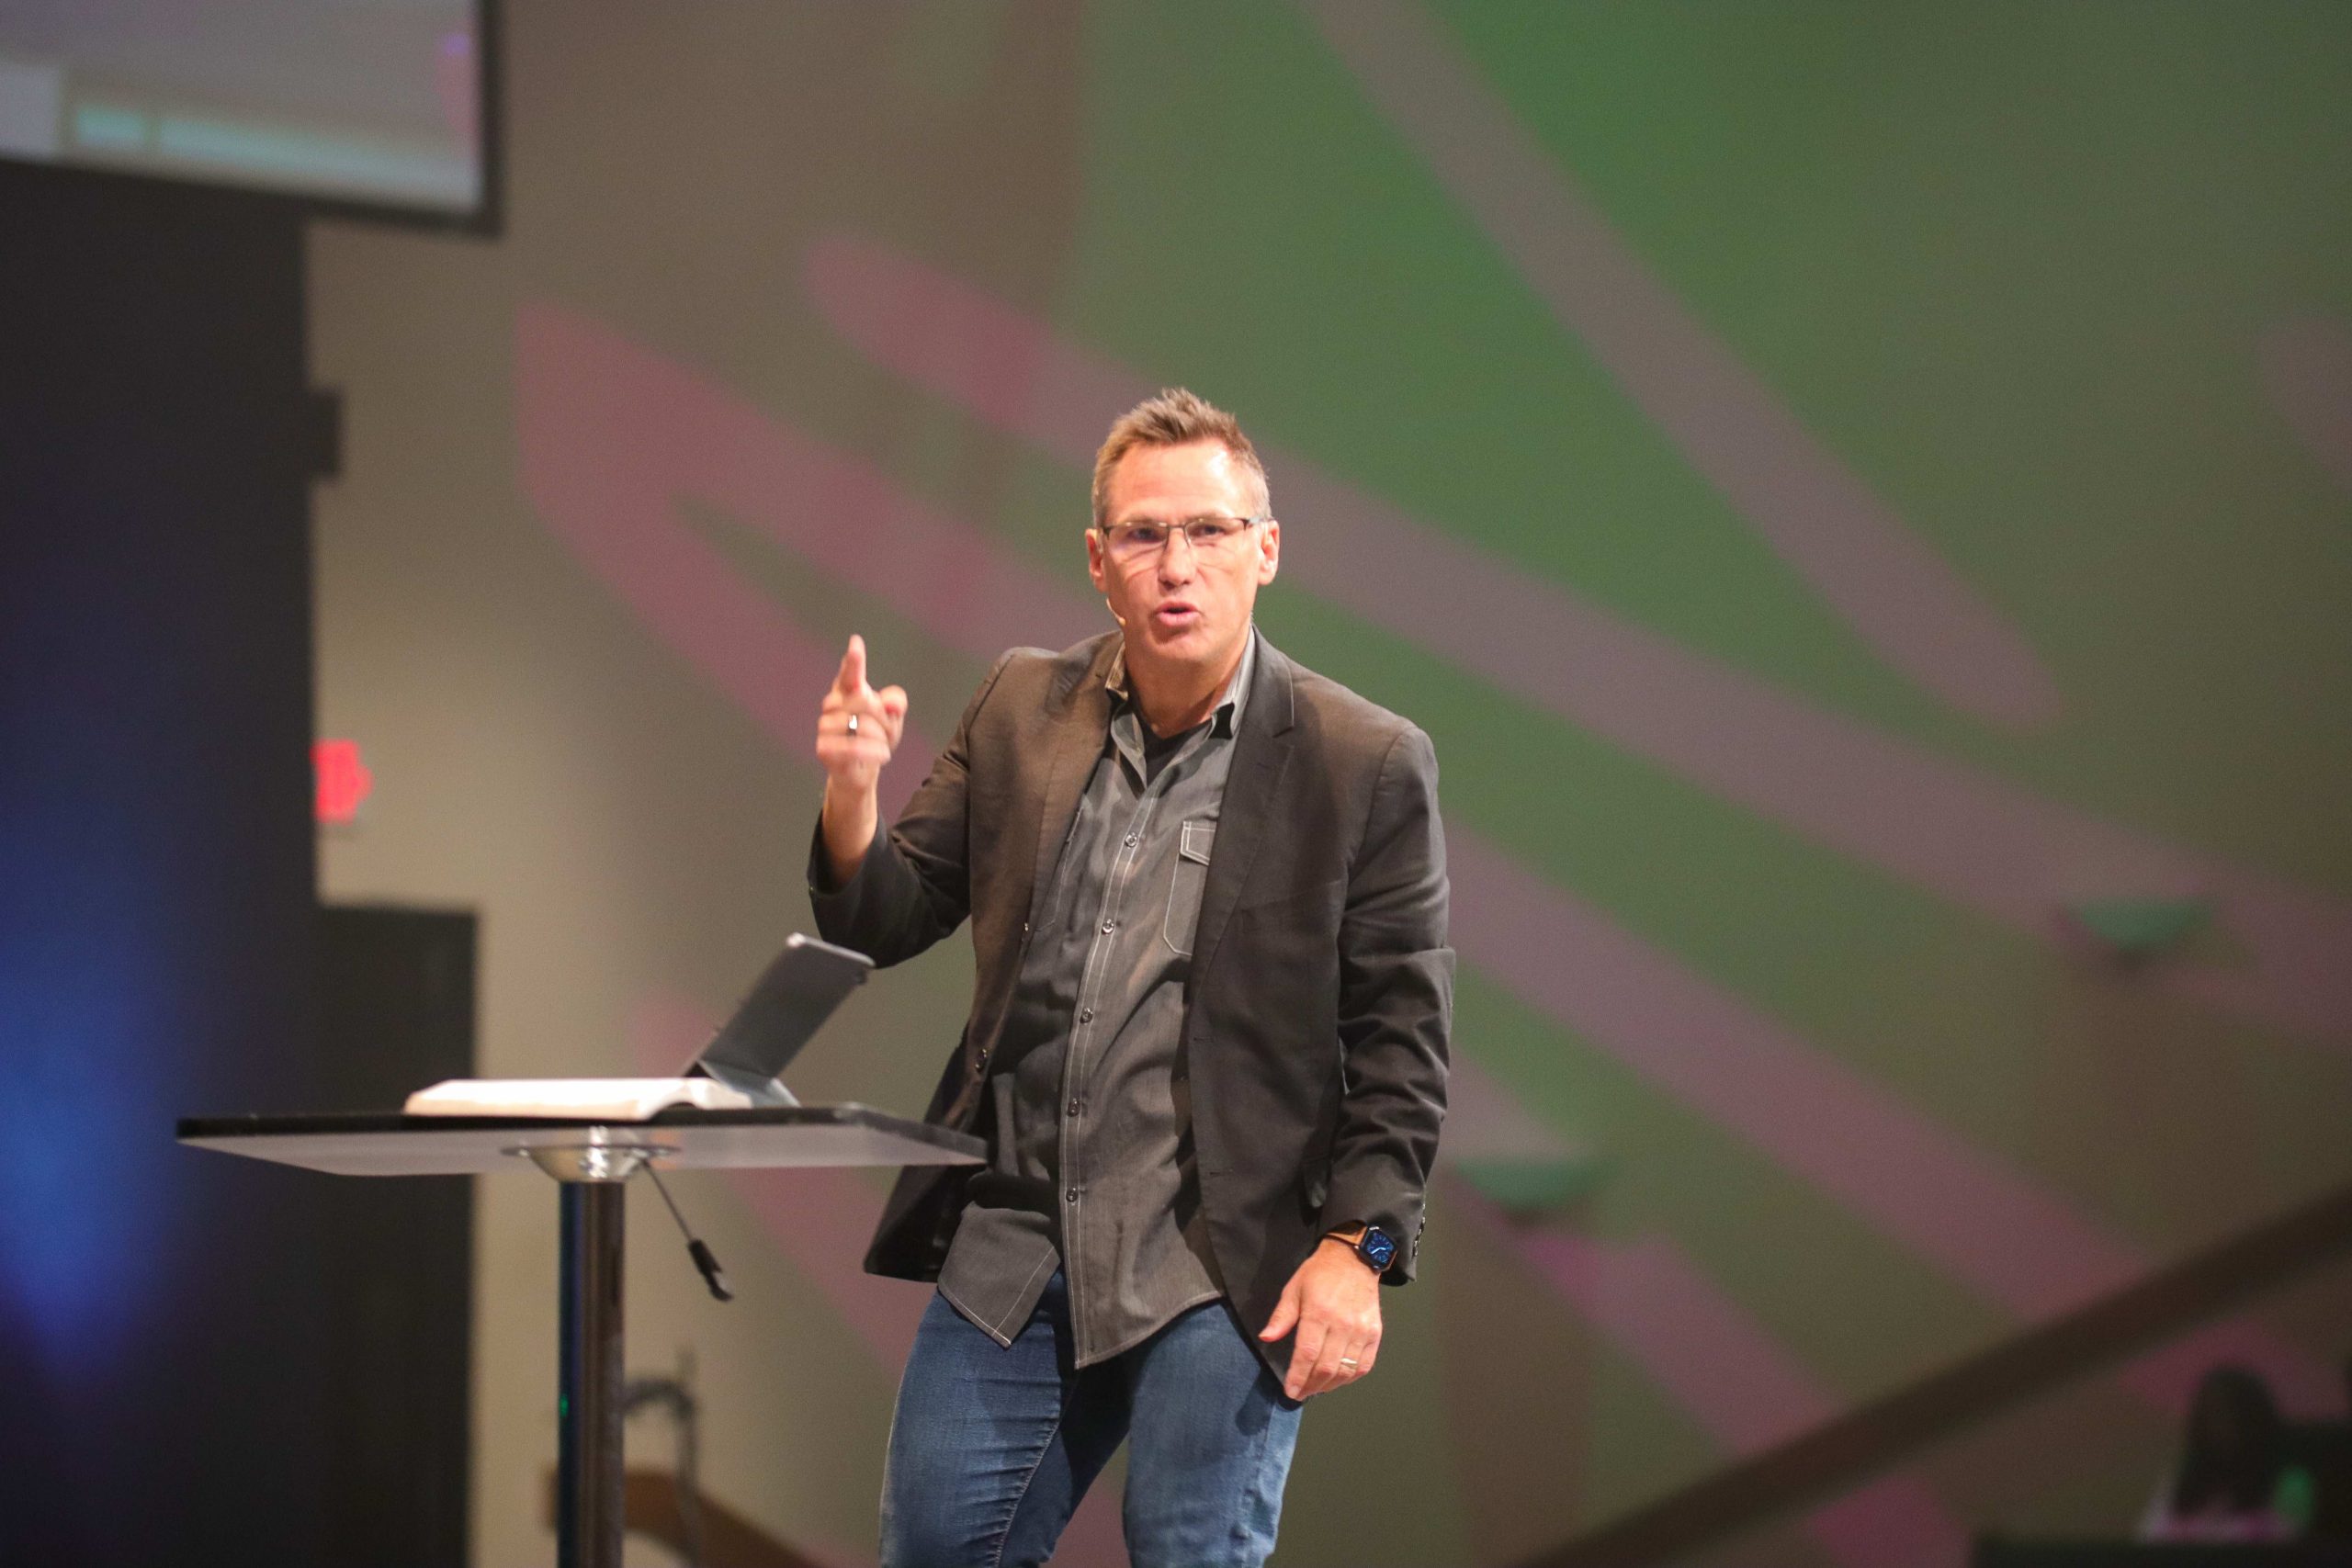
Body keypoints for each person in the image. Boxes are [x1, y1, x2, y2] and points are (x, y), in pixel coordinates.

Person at [807, 389, 1452, 1567]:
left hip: (1218, 1258)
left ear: (1265, 549)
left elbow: (1400, 1045)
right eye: (1145, 535)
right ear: (1099, 563)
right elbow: (887, 919)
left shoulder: (1359, 760)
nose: (1177, 565)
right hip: (1018, 1243)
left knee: (1188, 1551)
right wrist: (852, 796)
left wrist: (1357, 1252)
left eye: (1208, 530)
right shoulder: (1021, 706)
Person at [2138, 1364, 2315, 1543]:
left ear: (2253, 1419)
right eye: (2208, 1416)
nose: (2217, 1427)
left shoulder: (2289, 1483)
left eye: (2227, 1414)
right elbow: (2149, 1545)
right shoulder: (2181, 1485)